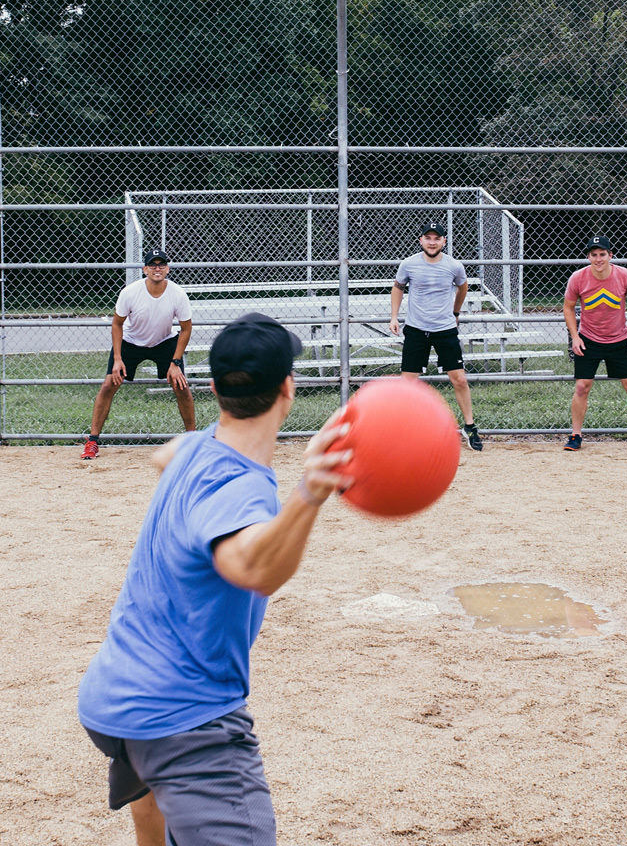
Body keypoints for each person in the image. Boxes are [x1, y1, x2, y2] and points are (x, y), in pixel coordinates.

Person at [76, 312, 353, 846]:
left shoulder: (194, 447)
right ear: (288, 389)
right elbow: (249, 566)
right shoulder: (240, 488)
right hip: (183, 717)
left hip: (112, 696)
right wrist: (309, 493)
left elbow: (167, 455)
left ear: (213, 387)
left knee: (152, 802)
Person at [82, 249, 194, 460]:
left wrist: (175, 362)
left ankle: (193, 441)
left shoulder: (177, 293)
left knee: (182, 386)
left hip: (164, 341)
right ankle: (92, 441)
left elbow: (186, 329)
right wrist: (117, 358)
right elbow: (117, 324)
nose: (157, 269)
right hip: (131, 342)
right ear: (145, 269)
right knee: (108, 385)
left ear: (168, 269)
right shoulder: (130, 292)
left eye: (161, 265)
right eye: (152, 265)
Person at [388, 220, 484, 451]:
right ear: (420, 240)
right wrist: (394, 316)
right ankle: (406, 428)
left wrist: (456, 311)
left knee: (459, 379)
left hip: (445, 329)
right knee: (408, 383)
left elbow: (463, 286)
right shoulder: (409, 264)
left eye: (437, 238)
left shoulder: (454, 265)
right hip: (416, 329)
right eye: (428, 238)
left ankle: (469, 426)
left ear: (444, 241)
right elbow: (398, 287)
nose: (432, 242)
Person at [562, 235, 627, 453]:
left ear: (610, 255)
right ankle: (575, 435)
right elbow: (568, 307)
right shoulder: (578, 278)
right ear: (588, 257)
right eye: (594, 255)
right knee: (581, 387)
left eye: (602, 254)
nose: (598, 259)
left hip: (619, 339)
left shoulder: (624, 275)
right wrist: (575, 336)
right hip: (589, 339)